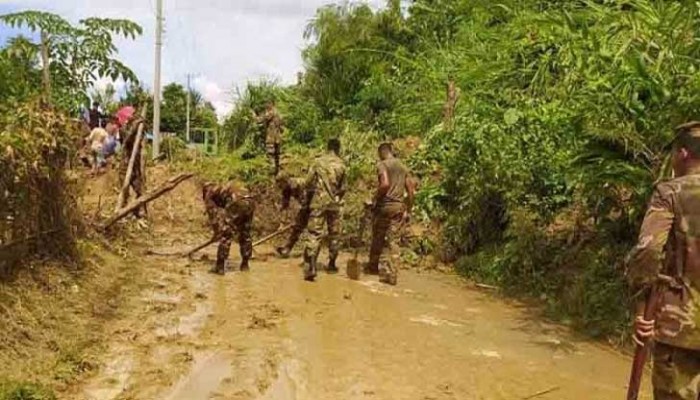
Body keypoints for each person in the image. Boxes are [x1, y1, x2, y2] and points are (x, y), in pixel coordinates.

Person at [627, 121, 700, 400]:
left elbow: (647, 252)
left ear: (682, 154)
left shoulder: (669, 193)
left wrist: (641, 308)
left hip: (679, 328)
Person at [367, 142, 416, 285]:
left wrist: (374, 198)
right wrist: (408, 208)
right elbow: (411, 190)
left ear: (382, 152)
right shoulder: (403, 166)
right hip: (398, 208)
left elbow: (385, 184)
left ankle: (373, 267)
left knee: (378, 236)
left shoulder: (383, 165)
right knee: (393, 241)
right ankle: (392, 274)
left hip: (385, 207)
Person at [302, 138, 346, 281]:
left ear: (327, 147)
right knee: (334, 234)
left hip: (319, 202)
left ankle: (313, 266)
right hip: (334, 203)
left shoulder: (318, 162)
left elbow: (307, 182)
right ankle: (332, 265)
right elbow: (343, 188)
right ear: (338, 148)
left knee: (315, 233)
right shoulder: (342, 164)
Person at [202, 181, 255, 275]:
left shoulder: (209, 192)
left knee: (227, 233)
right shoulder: (223, 186)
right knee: (245, 232)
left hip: (236, 201)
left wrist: (217, 232)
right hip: (250, 201)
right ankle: (245, 264)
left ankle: (220, 267)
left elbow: (213, 216)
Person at [275, 173, 312, 258]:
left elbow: (307, 201)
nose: (278, 186)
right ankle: (287, 249)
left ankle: (311, 252)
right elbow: (285, 206)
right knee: (297, 228)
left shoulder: (301, 184)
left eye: (279, 184)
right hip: (305, 206)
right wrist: (282, 224)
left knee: (312, 229)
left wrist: (300, 218)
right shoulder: (286, 189)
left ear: (285, 181)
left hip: (316, 204)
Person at [118, 117, 146, 216]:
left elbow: (141, 141)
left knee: (139, 189)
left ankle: (139, 210)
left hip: (136, 166)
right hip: (126, 165)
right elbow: (127, 139)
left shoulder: (138, 132)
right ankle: (123, 212)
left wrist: (141, 128)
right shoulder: (123, 129)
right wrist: (135, 127)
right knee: (125, 190)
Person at [258, 101, 283, 176]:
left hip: (271, 138)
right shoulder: (278, 113)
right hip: (278, 138)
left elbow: (259, 120)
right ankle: (277, 172)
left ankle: (273, 173)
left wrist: (252, 115)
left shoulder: (271, 113)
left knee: (271, 155)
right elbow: (282, 127)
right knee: (277, 156)